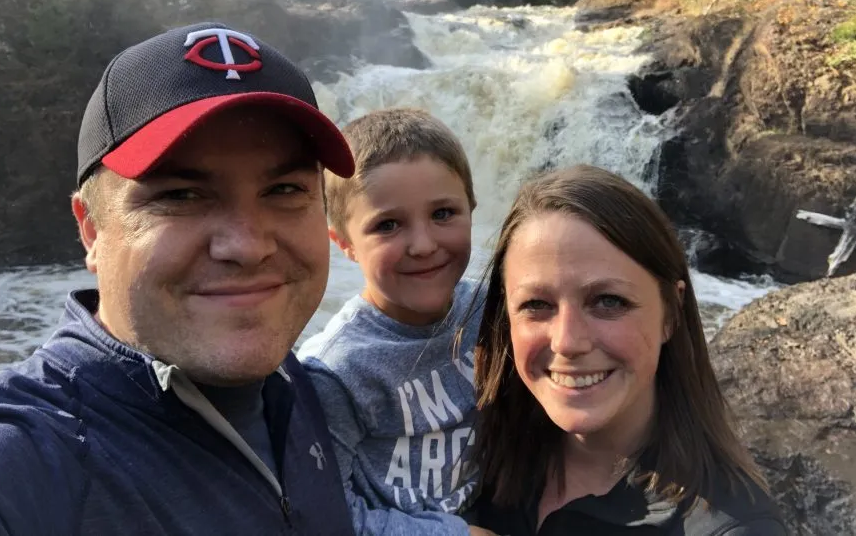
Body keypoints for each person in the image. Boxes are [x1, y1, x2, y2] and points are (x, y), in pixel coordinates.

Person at [0, 22, 358, 535]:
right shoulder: (27, 459)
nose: (248, 247)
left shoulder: (298, 383)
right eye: (180, 196)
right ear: (91, 229)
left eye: (283, 190)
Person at [471, 165, 788, 535]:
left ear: (671, 312)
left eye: (608, 301)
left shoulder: (732, 529)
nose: (567, 342)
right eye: (536, 304)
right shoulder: (461, 456)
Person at [297, 108, 494, 536]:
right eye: (388, 225)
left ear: (472, 207)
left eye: (443, 213)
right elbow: (326, 514)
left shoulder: (491, 309)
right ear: (344, 243)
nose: (423, 245)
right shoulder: (336, 370)